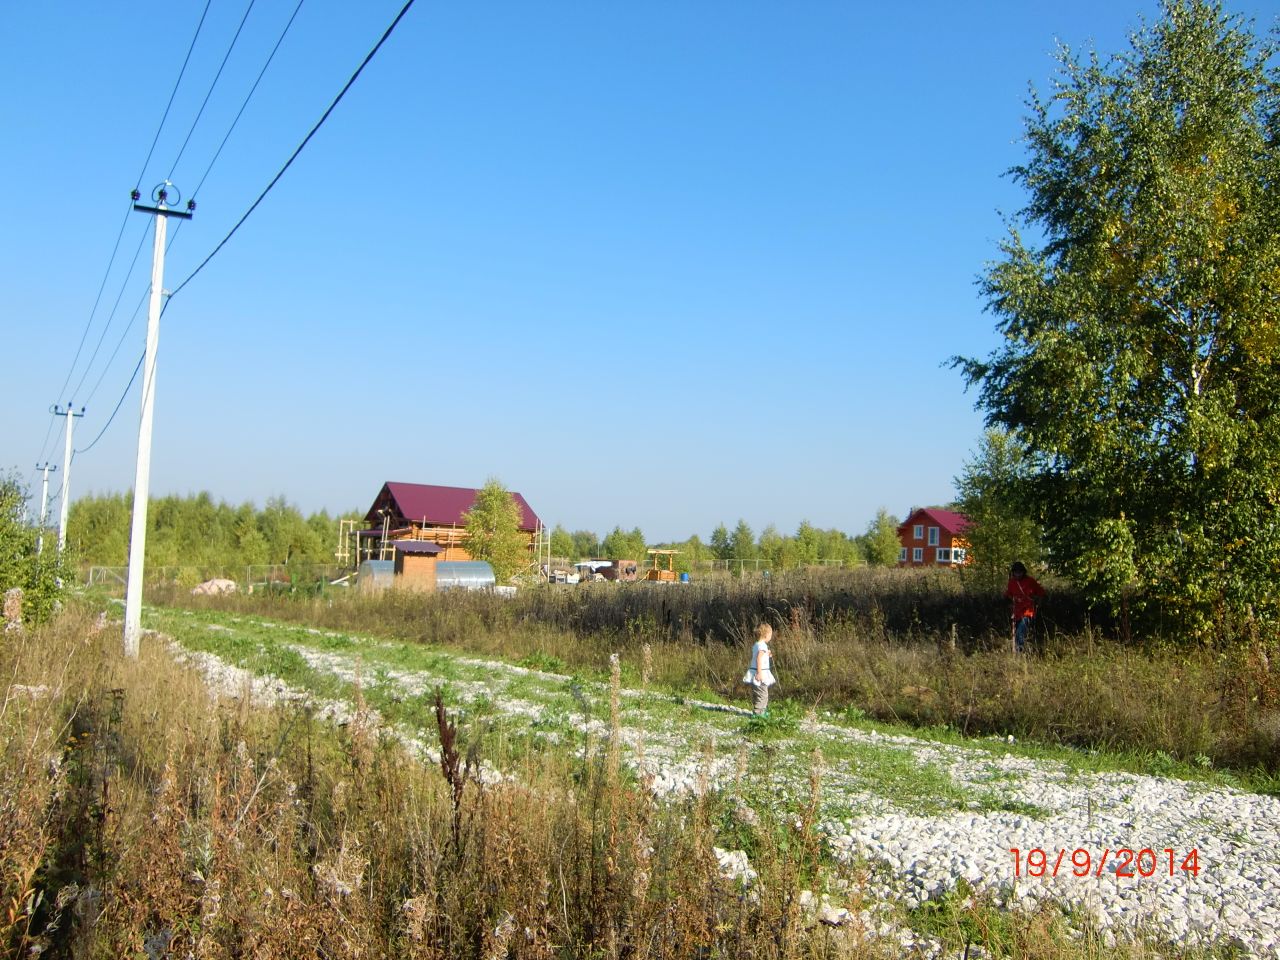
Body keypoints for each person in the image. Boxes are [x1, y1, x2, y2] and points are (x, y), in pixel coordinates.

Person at [1005, 561, 1045, 653]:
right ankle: (1020, 651)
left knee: (1020, 633)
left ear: (1023, 572)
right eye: (1016, 572)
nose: (1018, 574)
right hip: (1016, 612)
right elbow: (1008, 595)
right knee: (1016, 634)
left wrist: (1038, 605)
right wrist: (1011, 603)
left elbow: (1041, 593)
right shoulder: (1011, 582)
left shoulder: (1030, 581)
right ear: (1013, 572)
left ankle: (1020, 652)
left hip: (1028, 611)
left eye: (1020, 572)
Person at [743, 622, 776, 715]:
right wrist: (759, 672)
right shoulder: (762, 646)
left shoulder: (757, 645)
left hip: (755, 671)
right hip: (760, 673)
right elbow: (758, 659)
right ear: (766, 635)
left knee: (758, 693)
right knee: (763, 694)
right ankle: (758, 713)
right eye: (770, 635)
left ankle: (761, 711)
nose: (771, 637)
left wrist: (767, 654)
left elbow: (759, 656)